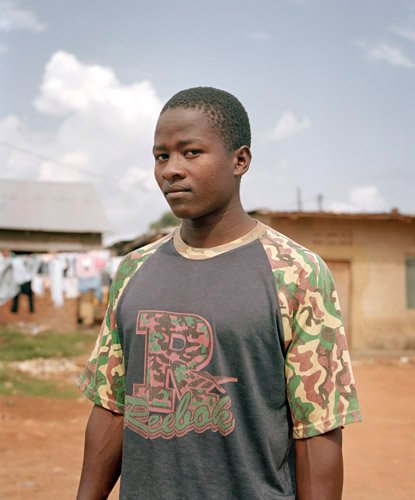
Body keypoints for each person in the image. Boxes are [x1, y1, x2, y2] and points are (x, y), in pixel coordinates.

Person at [77, 87, 361, 500]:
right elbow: (112, 405)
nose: (171, 169)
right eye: (161, 156)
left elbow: (317, 432)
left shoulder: (296, 273)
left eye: (191, 152)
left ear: (239, 160)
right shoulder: (134, 270)